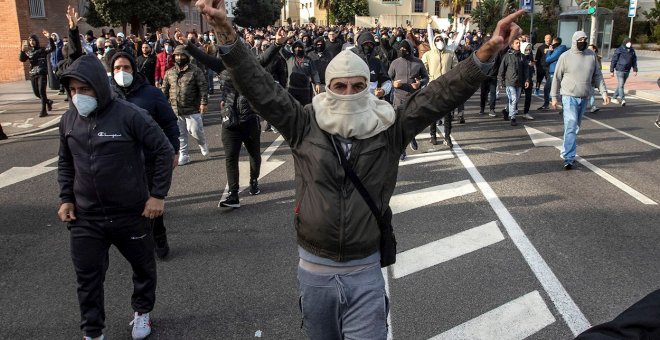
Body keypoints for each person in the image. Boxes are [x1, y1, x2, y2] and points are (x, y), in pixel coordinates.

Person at [195, 0, 525, 338]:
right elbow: (257, 84)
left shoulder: (390, 126)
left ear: (368, 87)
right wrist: (224, 28)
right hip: (314, 272)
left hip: (366, 270)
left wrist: (489, 49)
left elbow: (439, 95)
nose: (349, 93)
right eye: (340, 86)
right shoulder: (303, 123)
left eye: (357, 85)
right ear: (327, 86)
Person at [57, 54, 175, 340]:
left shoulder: (129, 114)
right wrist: (66, 198)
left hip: (131, 214)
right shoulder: (68, 119)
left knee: (143, 268)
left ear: (98, 85)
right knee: (87, 279)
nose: (78, 96)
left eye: (84, 89)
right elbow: (66, 162)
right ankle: (93, 331)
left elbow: (163, 151)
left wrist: (157, 195)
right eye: (73, 90)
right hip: (86, 217)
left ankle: (142, 312)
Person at [110, 51, 180, 259]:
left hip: (148, 159)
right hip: (120, 163)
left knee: (152, 204)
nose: (121, 72)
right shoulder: (106, 95)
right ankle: (137, 243)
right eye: (117, 68)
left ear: (134, 69)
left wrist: (174, 149)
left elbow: (169, 122)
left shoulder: (151, 94)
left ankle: (159, 238)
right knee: (129, 207)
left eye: (126, 68)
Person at [551, 31, 609, 170]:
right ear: (575, 40)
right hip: (569, 96)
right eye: (581, 39)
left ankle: (566, 150)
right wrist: (554, 97)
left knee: (575, 126)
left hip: (584, 97)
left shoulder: (591, 55)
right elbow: (557, 77)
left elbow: (598, 76)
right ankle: (569, 158)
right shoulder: (565, 56)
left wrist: (604, 92)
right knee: (571, 124)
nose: (583, 41)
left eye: (585, 39)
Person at [161, 45, 209, 166]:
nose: (179, 57)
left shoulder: (195, 71)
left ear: (187, 56)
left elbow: (203, 87)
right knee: (180, 134)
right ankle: (184, 154)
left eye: (182, 55)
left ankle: (202, 143)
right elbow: (164, 91)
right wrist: (162, 105)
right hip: (175, 109)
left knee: (195, 130)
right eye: (177, 55)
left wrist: (203, 102)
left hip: (192, 108)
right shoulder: (169, 73)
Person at [388, 39, 429, 159]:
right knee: (400, 125)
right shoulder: (395, 63)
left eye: (405, 49)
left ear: (410, 50)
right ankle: (402, 149)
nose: (402, 51)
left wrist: (420, 83)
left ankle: (412, 137)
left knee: (413, 122)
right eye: (400, 49)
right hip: (399, 98)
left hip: (413, 97)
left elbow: (426, 77)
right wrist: (393, 83)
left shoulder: (418, 62)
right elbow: (387, 78)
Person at [422, 19, 458, 146]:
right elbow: (423, 69)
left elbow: (456, 69)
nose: (439, 42)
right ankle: (433, 135)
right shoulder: (428, 54)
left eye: (441, 40)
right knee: (432, 113)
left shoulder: (451, 54)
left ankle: (447, 137)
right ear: (434, 42)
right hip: (433, 86)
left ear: (444, 41)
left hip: (447, 87)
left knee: (447, 115)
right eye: (437, 40)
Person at [19, 30, 55, 117]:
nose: (31, 42)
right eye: (30, 41)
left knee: (42, 92)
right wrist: (22, 51)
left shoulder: (42, 50)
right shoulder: (29, 52)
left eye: (33, 40)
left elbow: (52, 48)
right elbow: (22, 59)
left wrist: (49, 38)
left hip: (41, 73)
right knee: (36, 93)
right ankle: (48, 102)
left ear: (36, 41)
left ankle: (43, 111)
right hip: (33, 74)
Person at [498, 39, 529, 126]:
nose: (518, 44)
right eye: (516, 43)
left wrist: (527, 80)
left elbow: (526, 69)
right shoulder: (507, 56)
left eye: (519, 43)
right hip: (510, 82)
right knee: (514, 99)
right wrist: (500, 81)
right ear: (512, 45)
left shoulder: (522, 56)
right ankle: (513, 117)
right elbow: (502, 69)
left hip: (519, 82)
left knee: (515, 100)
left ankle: (506, 110)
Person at [541, 37, 568, 112]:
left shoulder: (560, 49)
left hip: (556, 71)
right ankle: (546, 104)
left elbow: (548, 59)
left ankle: (564, 108)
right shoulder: (557, 49)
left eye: (552, 42)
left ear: (555, 42)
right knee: (547, 88)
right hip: (552, 71)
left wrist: (549, 51)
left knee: (558, 90)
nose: (551, 44)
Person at [610, 38, 638, 107]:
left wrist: (635, 69)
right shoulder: (619, 50)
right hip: (620, 70)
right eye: (628, 42)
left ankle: (613, 97)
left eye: (630, 42)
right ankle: (623, 99)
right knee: (621, 85)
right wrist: (611, 70)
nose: (630, 44)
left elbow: (634, 61)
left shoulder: (632, 51)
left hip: (627, 70)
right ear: (625, 43)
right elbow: (614, 60)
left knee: (620, 85)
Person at [520, 42, 535, 120]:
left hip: (528, 80)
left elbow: (532, 68)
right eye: (526, 49)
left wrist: (532, 66)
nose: (528, 50)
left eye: (529, 49)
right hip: (519, 80)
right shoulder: (519, 56)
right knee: (516, 97)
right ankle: (509, 110)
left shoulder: (530, 56)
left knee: (528, 97)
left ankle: (526, 112)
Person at [587, 44, 603, 113]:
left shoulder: (597, 58)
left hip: (592, 79)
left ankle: (593, 106)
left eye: (590, 48)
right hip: (584, 79)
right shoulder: (585, 57)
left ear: (594, 50)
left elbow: (599, 69)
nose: (589, 50)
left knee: (592, 93)